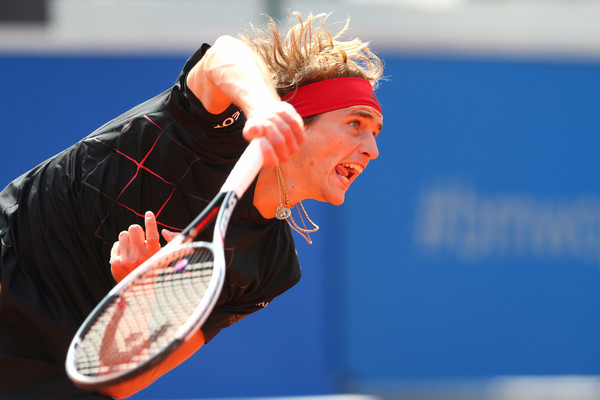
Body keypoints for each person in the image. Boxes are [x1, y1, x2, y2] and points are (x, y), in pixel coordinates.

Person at [0, 11, 384, 399]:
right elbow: (224, 54)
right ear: (299, 117)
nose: (372, 149)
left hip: (54, 364)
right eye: (356, 123)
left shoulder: (270, 267)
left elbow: (122, 382)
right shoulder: (214, 124)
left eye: (374, 133)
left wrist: (140, 301)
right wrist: (264, 107)